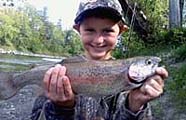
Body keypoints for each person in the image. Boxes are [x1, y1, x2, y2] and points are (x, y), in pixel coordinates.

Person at [31, 0, 168, 120]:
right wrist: (61, 109)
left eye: (107, 31)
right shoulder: (55, 75)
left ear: (120, 31)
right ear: (78, 30)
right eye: (90, 30)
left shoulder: (135, 89)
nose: (98, 40)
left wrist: (134, 106)